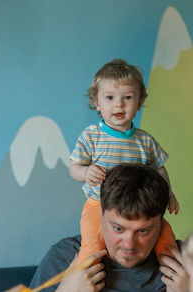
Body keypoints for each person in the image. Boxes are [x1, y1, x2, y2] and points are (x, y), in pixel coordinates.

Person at [69, 58, 179, 263]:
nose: (119, 104)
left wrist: (168, 193)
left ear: (139, 103)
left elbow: (160, 169)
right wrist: (86, 172)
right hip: (98, 204)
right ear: (97, 103)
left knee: (165, 235)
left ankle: (171, 271)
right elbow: (74, 168)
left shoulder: (144, 140)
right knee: (92, 241)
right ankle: (86, 271)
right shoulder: (91, 136)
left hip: (138, 211)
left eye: (127, 97)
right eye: (109, 97)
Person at [30, 163, 186, 292]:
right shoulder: (63, 258)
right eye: (118, 228)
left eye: (143, 231)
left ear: (161, 223)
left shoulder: (185, 264)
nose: (129, 244)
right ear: (101, 216)